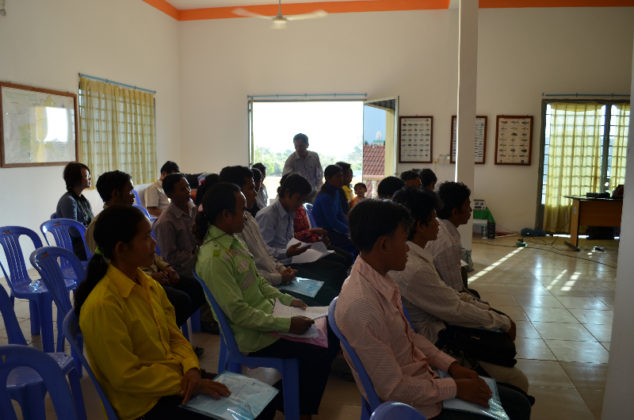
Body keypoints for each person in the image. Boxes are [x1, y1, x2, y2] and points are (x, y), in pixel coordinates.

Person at [335, 199, 531, 420]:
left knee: (517, 401)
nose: (407, 248)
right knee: (517, 408)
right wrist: (455, 388)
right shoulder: (362, 305)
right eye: (403, 239)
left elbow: (409, 337)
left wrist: (452, 366)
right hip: (415, 407)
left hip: (426, 382)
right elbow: (393, 389)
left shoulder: (381, 279)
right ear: (384, 245)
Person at [74, 205, 233, 420]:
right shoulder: (103, 305)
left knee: (250, 403)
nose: (154, 243)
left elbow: (174, 335)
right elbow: (126, 377)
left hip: (174, 381)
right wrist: (184, 383)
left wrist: (192, 369)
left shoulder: (147, 283)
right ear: (121, 249)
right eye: (146, 237)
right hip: (145, 405)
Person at [195, 182, 339, 419]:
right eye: (241, 210)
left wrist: (287, 300)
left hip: (269, 316)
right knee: (319, 350)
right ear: (225, 215)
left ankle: (286, 401)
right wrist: (287, 324)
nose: (246, 216)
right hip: (253, 335)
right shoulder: (214, 258)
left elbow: (259, 282)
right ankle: (291, 406)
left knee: (329, 333)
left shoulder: (233, 241)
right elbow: (239, 313)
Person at [391, 188, 529, 393]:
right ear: (420, 226)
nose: (438, 223)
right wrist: (500, 321)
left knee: (495, 335)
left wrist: (488, 312)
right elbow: (454, 308)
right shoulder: (415, 266)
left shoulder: (416, 256)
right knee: (517, 380)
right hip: (437, 338)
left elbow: (449, 295)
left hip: (437, 324)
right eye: (433, 218)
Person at [86, 171, 204, 329]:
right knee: (181, 301)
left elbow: (151, 251)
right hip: (132, 283)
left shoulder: (130, 217)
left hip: (153, 275)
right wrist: (150, 277)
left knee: (197, 289)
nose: (133, 196)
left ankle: (165, 330)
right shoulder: (99, 226)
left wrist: (167, 268)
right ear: (115, 194)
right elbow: (111, 266)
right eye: (129, 191)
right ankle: (160, 332)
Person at [256, 173, 351, 304]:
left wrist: (311, 244)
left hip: (293, 258)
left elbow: (289, 239)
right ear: (287, 193)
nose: (300, 204)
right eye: (298, 199)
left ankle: (339, 302)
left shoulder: (290, 211)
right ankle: (332, 304)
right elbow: (263, 251)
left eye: (302, 200)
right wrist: (287, 252)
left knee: (339, 265)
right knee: (327, 285)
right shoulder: (268, 215)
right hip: (282, 265)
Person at [216, 166, 296, 287]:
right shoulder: (232, 229)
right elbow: (247, 273)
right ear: (236, 192)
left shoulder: (249, 218)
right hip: (263, 285)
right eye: (251, 188)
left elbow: (265, 253)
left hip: (273, 279)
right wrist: (279, 277)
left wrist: (282, 268)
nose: (255, 193)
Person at [425, 182, 475, 294]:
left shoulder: (441, 226)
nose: (470, 210)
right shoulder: (447, 244)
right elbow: (456, 291)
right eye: (467, 205)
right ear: (455, 212)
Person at [312, 165, 356, 254]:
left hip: (334, 230)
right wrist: (350, 231)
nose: (341, 179)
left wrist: (351, 227)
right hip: (325, 234)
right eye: (338, 177)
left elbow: (340, 215)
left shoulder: (336, 192)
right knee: (356, 245)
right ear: (328, 178)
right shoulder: (325, 196)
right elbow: (333, 222)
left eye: (342, 176)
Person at [55, 162, 94, 260]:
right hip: (77, 248)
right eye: (86, 176)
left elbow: (92, 221)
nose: (90, 178)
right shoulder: (68, 200)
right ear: (76, 179)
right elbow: (74, 231)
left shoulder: (83, 199)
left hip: (86, 242)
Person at [283, 133, 323, 201]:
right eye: (296, 146)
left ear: (307, 145)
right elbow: (286, 179)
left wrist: (319, 191)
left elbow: (319, 175)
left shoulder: (314, 156)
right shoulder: (291, 160)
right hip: (299, 195)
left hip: (314, 193)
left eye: (301, 146)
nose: (298, 149)